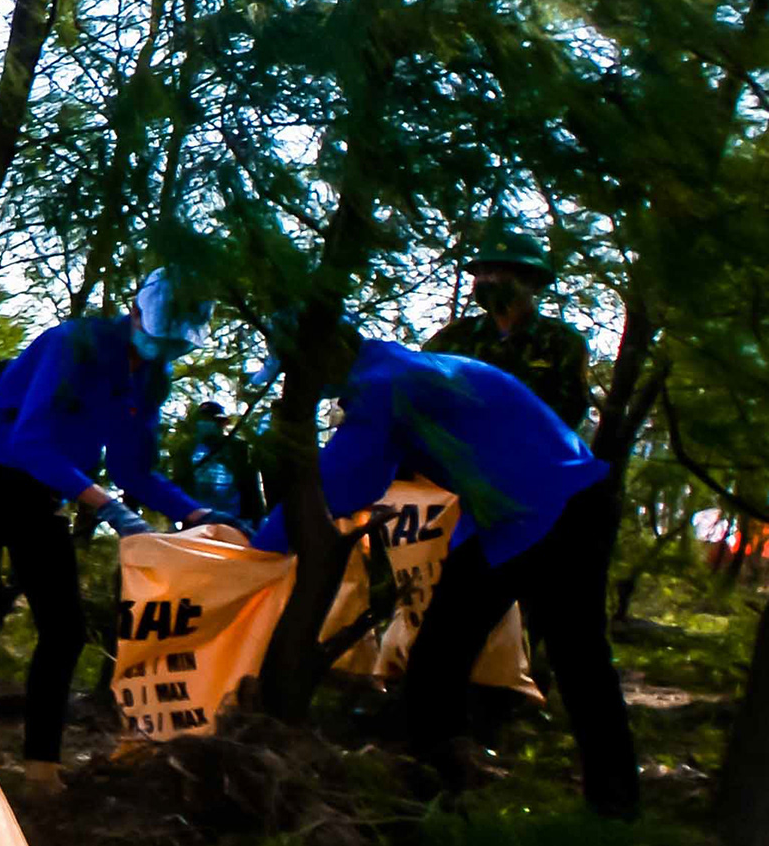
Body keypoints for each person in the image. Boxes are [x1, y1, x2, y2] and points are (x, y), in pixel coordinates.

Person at [257, 339, 635, 816]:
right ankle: (616, 804)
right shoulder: (404, 369)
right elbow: (371, 477)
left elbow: (341, 483)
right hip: (573, 493)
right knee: (580, 659)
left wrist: (258, 550)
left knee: (441, 655)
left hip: (537, 509)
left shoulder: (381, 386)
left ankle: (432, 796)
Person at [0, 273, 221, 791]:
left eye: (175, 342)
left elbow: (134, 468)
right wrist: (105, 506)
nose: (163, 348)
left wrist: (195, 513)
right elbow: (29, 441)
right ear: (136, 312)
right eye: (160, 333)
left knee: (65, 630)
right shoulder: (74, 343)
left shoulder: (151, 379)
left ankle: (41, 770)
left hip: (43, 495)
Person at [426, 234, 592, 432]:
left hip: (526, 454)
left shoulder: (561, 342)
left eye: (499, 272)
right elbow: (420, 390)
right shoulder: (453, 337)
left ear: (533, 282)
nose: (487, 280)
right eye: (482, 273)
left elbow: (568, 414)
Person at [172, 398, 263, 521]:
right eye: (203, 420)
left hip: (235, 519)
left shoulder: (238, 447)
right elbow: (179, 483)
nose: (208, 424)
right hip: (197, 519)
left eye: (213, 420)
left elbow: (249, 483)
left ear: (222, 423)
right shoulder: (186, 448)